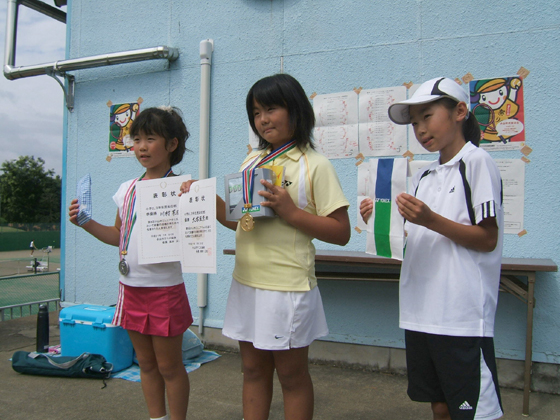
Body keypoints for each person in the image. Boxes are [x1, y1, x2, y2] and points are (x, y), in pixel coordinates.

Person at [181, 73, 351, 420]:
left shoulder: (314, 164)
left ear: (296, 110)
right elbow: (241, 221)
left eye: (271, 108)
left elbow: (341, 231)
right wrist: (208, 201)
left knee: (291, 376)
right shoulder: (251, 162)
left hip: (287, 287)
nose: (263, 119)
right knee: (253, 371)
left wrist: (291, 212)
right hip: (246, 282)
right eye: (256, 112)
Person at [360, 77, 504, 420]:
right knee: (438, 404)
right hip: (420, 312)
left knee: (473, 412)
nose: (420, 129)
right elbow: (410, 240)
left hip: (460, 316)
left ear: (459, 111)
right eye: (414, 123)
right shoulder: (423, 176)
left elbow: (487, 238)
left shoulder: (477, 162)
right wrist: (378, 222)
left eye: (427, 116)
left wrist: (430, 219)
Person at [69, 106, 192, 420]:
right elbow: (117, 235)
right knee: (146, 364)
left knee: (169, 366)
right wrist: (85, 222)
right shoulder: (127, 190)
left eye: (150, 139)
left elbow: (195, 237)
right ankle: (157, 418)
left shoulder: (183, 190)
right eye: (136, 139)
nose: (141, 146)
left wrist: (193, 200)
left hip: (164, 290)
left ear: (172, 145)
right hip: (130, 289)